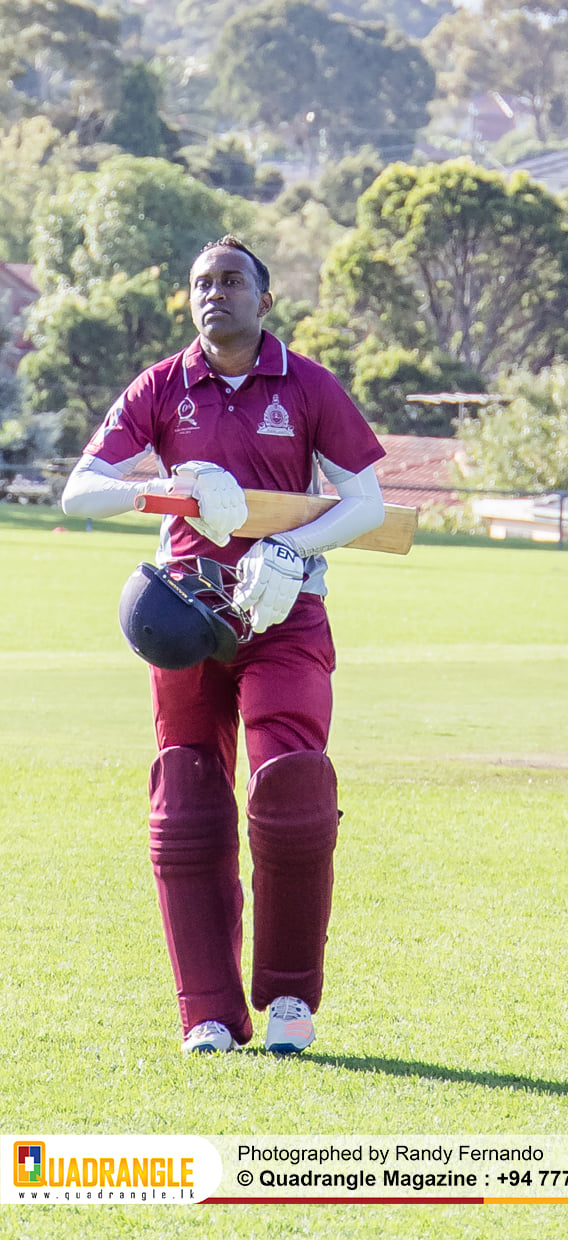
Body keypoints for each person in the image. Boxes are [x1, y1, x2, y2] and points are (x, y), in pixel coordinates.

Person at [61, 236, 386, 1054]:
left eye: (232, 281)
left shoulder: (307, 383)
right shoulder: (162, 386)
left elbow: (369, 502)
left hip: (285, 615)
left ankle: (287, 1004)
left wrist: (295, 548)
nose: (216, 294)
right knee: (187, 806)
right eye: (203, 283)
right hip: (189, 617)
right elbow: (80, 492)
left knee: (291, 791)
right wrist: (162, 489)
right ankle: (207, 1010)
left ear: (264, 300)